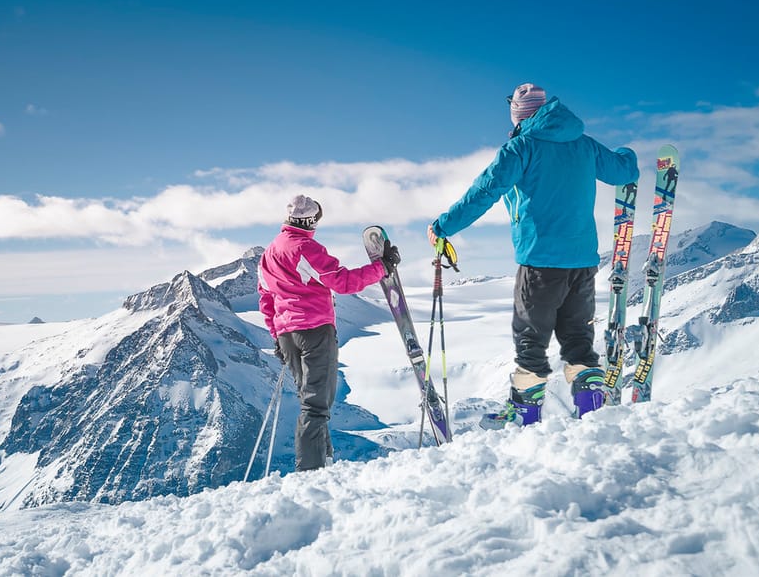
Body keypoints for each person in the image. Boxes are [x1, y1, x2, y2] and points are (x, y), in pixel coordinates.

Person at [427, 83, 639, 427]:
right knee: (578, 340)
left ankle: (525, 417)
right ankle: (592, 413)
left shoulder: (520, 148)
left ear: (518, 114)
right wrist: (627, 153)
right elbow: (623, 171)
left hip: (540, 260)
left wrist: (443, 226)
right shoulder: (584, 144)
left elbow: (485, 191)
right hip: (584, 262)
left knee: (531, 340)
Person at [257, 194, 399, 470]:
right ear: (309, 221)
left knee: (310, 401)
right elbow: (342, 282)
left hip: (288, 335)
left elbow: (265, 298)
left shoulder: (269, 253)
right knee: (316, 406)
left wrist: (276, 335)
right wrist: (382, 268)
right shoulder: (306, 249)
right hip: (314, 331)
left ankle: (324, 463)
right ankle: (309, 472)